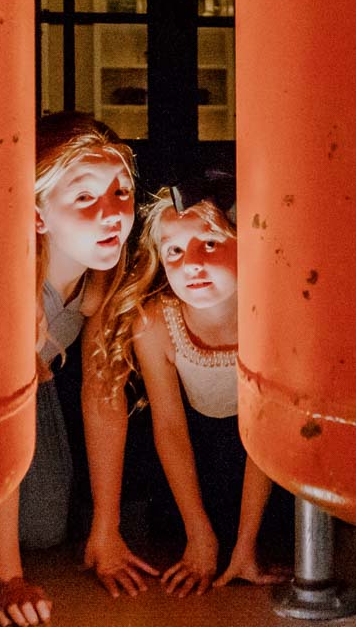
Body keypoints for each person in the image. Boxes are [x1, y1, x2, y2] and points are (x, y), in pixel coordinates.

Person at [0, 112, 154, 627]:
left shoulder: (102, 277)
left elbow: (103, 392)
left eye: (121, 191)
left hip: (38, 392)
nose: (112, 214)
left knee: (47, 527)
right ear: (38, 214)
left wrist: (107, 526)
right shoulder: (11, 283)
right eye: (84, 197)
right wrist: (7, 577)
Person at [97, 176, 286, 597]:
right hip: (195, 465)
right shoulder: (155, 324)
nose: (191, 264)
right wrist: (199, 535)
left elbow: (267, 433)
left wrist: (245, 545)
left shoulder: (270, 318)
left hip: (266, 464)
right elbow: (169, 427)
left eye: (210, 244)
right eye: (175, 252)